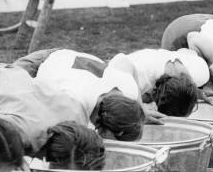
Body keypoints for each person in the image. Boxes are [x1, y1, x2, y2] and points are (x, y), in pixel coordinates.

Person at [14, 48, 148, 140]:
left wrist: (141, 109)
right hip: (40, 63)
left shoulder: (128, 89)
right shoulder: (73, 107)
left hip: (68, 57)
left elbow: (124, 60)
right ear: (104, 128)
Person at [108, 48, 208, 116]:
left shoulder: (201, 73)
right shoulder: (140, 75)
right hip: (116, 70)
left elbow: (184, 51)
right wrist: (140, 108)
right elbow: (120, 61)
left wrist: (191, 92)